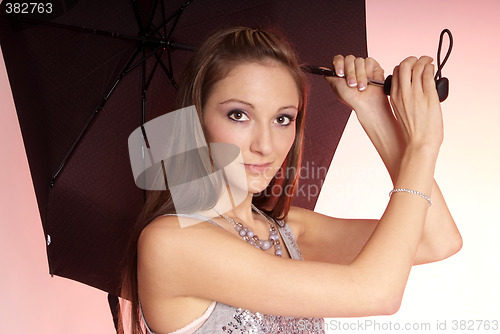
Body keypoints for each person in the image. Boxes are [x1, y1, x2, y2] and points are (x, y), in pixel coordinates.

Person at [119, 26, 462, 334]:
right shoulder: (171, 242)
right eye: (239, 115)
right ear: (196, 119)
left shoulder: (287, 230)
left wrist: (372, 110)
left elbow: (437, 239)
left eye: (283, 119)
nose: (264, 145)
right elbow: (377, 293)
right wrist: (422, 144)